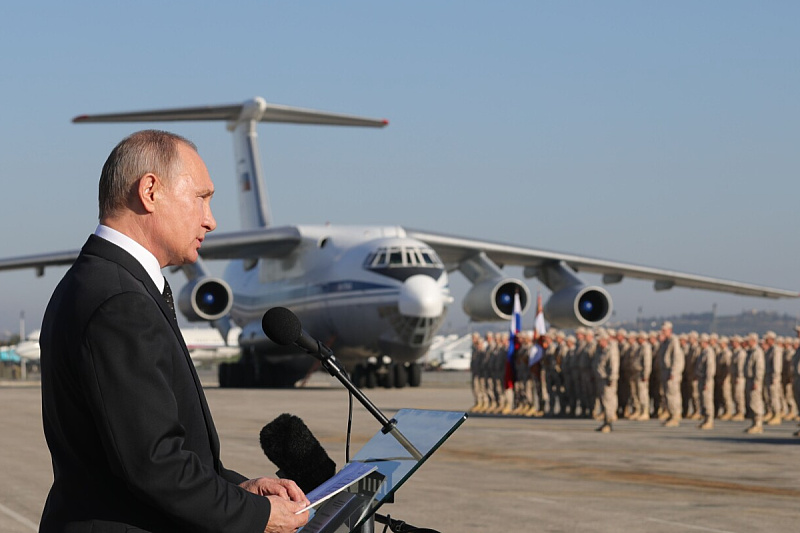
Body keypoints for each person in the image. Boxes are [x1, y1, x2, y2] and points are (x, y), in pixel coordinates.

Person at [38, 131, 310, 533]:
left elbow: (149, 452)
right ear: (150, 191)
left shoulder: (99, 282)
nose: (211, 220)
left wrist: (240, 489)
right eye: (201, 197)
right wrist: (259, 516)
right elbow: (155, 463)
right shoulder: (119, 301)